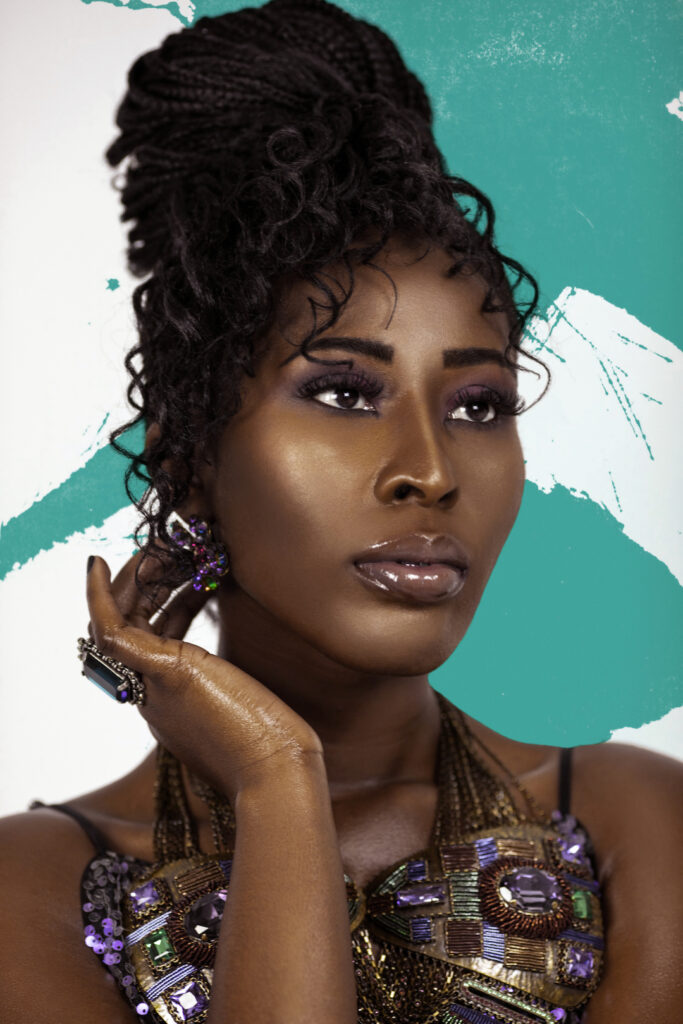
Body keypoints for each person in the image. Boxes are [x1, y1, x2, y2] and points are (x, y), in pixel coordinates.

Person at [1, 1, 681, 1021]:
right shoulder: (33, 888)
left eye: (478, 404)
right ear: (189, 460)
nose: (429, 469)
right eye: (344, 394)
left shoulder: (633, 819)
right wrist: (276, 781)